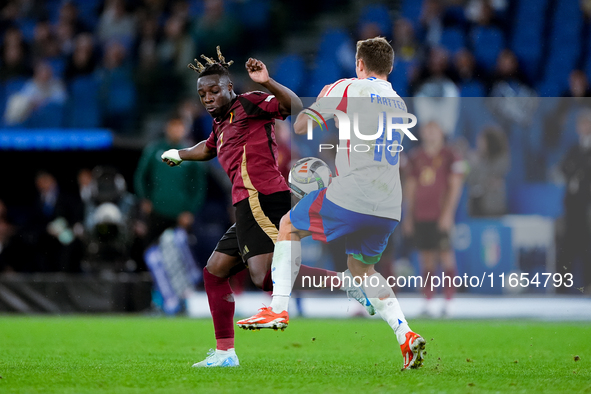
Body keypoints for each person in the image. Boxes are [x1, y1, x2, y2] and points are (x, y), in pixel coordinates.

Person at [161, 47, 360, 368]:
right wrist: (180, 153)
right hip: (247, 205)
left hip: (266, 198)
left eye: (215, 90)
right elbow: (208, 149)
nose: (208, 98)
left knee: (264, 275)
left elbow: (294, 106)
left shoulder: (249, 102)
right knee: (215, 271)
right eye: (202, 94)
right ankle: (225, 354)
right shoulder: (220, 125)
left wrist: (267, 81)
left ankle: (348, 283)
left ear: (230, 88)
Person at [237, 37, 427, 370]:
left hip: (353, 192)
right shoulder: (399, 102)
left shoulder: (346, 87)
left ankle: (278, 308)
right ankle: (405, 334)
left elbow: (300, 124)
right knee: (362, 270)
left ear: (359, 64)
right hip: (388, 205)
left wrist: (314, 99)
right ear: (389, 67)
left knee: (288, 226)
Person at [403, 121, 465, 317]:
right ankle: (428, 300)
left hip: (440, 215)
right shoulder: (416, 157)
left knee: (446, 255)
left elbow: (455, 186)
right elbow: (411, 187)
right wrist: (408, 216)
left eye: (433, 130)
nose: (430, 134)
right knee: (426, 259)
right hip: (421, 215)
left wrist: (448, 214)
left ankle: (449, 300)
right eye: (427, 130)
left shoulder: (450, 155)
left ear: (441, 132)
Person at [135, 117, 206, 245]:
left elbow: (199, 186)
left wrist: (190, 211)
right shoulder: (154, 149)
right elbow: (141, 176)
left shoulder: (192, 153)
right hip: (156, 210)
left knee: (178, 255)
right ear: (167, 128)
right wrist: (144, 198)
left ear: (185, 129)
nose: (176, 130)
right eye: (174, 126)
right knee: (151, 250)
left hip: (179, 215)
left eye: (180, 127)